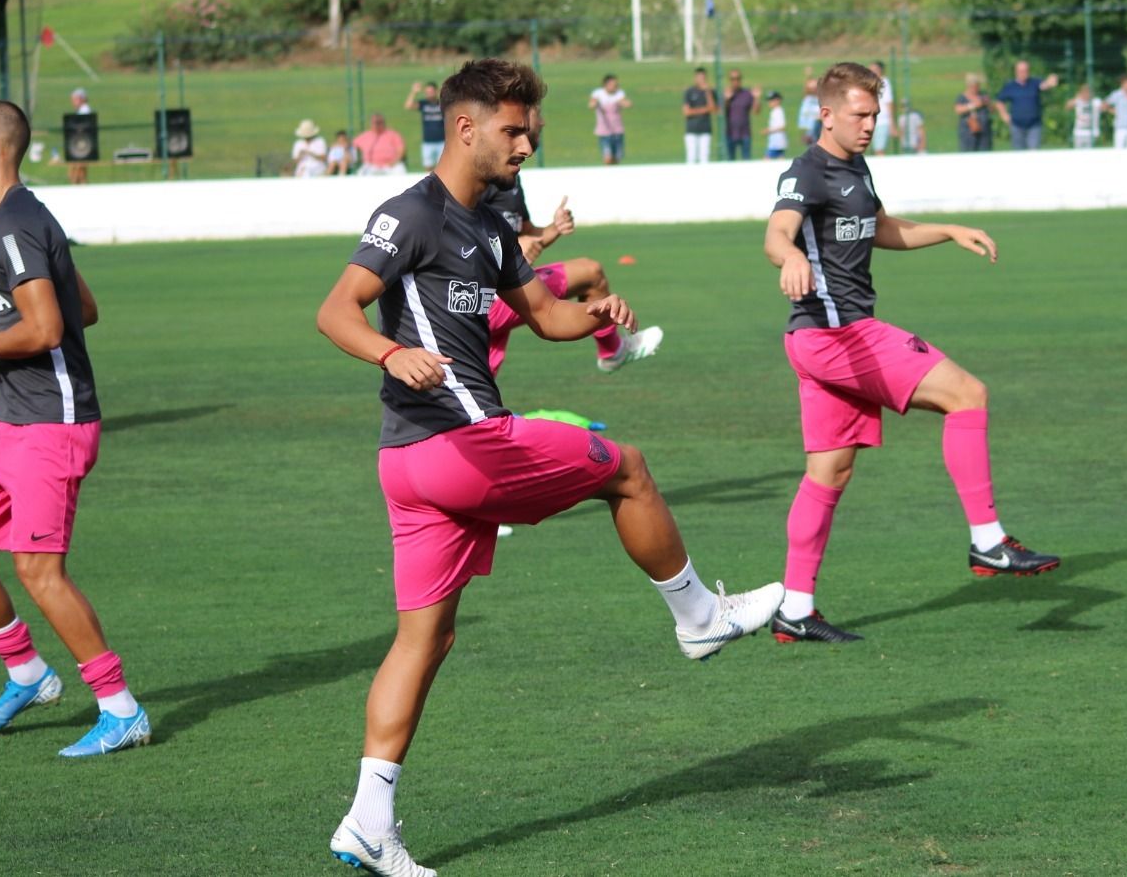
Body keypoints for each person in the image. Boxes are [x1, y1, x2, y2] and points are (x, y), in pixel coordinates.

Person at [317, 59, 782, 876]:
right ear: (465, 128)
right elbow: (335, 309)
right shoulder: (409, 213)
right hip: (460, 445)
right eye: (513, 129)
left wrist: (596, 312)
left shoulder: (494, 229)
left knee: (426, 638)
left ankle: (367, 817)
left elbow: (542, 315)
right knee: (626, 466)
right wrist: (392, 352)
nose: (526, 144)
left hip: (415, 467)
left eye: (530, 130)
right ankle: (698, 615)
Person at [762, 62, 1060, 644]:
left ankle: (795, 608)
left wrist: (947, 229)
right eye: (860, 114)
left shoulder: (856, 167)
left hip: (816, 344)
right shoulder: (808, 170)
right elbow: (778, 231)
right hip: (839, 335)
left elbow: (879, 228)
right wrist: (789, 256)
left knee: (829, 471)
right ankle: (988, 540)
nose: (871, 124)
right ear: (826, 114)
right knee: (967, 394)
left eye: (875, 113)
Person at [0, 100, 150, 757]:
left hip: (52, 426)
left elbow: (48, 329)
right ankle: (25, 672)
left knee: (39, 570)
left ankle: (119, 707)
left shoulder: (14, 224)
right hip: (8, 424)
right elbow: (86, 308)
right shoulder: (15, 219)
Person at [484, 108, 664, 376]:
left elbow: (527, 235)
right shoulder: (481, 176)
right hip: (480, 299)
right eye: (536, 113)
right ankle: (612, 352)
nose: (543, 120)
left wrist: (552, 229)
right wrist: (503, 252)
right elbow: (458, 239)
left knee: (477, 381)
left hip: (504, 291)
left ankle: (611, 352)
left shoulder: (511, 176)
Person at [995, 60, 1060, 150]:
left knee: (1033, 152)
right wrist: (1004, 115)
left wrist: (1050, 81)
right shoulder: (1010, 86)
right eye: (1021, 71)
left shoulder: (1034, 83)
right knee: (1019, 153)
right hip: (1016, 125)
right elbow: (999, 101)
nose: (1023, 73)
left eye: (1025, 70)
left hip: (1034, 125)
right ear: (1016, 72)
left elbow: (1044, 85)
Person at [589, 74, 631, 165]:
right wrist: (595, 103)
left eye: (617, 85)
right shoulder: (598, 94)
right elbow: (592, 104)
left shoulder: (619, 94)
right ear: (606, 85)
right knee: (607, 156)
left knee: (617, 157)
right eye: (613, 85)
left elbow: (626, 103)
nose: (616, 87)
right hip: (604, 130)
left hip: (617, 130)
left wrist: (624, 103)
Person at [403, 81, 445, 170]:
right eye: (427, 92)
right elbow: (408, 106)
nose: (429, 94)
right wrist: (414, 92)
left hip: (442, 141)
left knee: (443, 168)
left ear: (436, 91)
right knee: (428, 167)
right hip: (427, 142)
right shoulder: (423, 103)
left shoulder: (442, 103)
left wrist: (443, 92)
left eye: (431, 92)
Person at [682, 68, 716, 164]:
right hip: (691, 130)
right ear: (695, 78)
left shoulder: (710, 92)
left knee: (704, 159)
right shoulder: (689, 92)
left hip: (705, 130)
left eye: (703, 78)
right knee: (691, 158)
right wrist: (704, 109)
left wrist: (708, 92)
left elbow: (713, 109)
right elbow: (686, 112)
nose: (702, 80)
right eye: (699, 77)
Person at [723, 69, 759, 161]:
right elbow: (721, 112)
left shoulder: (746, 94)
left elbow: (756, 111)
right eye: (733, 79)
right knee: (730, 160)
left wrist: (756, 98)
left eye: (737, 79)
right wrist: (727, 99)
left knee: (746, 160)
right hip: (730, 133)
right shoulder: (727, 93)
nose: (735, 81)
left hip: (745, 133)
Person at [954, 74, 994, 153]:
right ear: (970, 86)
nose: (978, 88)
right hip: (968, 133)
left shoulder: (983, 95)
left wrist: (988, 103)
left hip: (984, 132)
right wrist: (974, 105)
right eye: (976, 86)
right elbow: (958, 110)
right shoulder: (962, 97)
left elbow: (992, 110)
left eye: (978, 85)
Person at [1066, 84, 1104, 150]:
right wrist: (1076, 97)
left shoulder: (1095, 101)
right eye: (1084, 92)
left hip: (1092, 131)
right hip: (1079, 132)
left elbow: (1104, 107)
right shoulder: (1078, 101)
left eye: (1088, 92)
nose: (1086, 94)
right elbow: (1068, 106)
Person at [66, 88, 91, 186]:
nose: (73, 102)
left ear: (81, 99)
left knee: (77, 174)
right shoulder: (82, 110)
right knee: (78, 174)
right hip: (80, 145)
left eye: (75, 99)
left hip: (81, 146)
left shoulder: (84, 111)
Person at [871, 61, 894, 155]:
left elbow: (889, 103)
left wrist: (892, 124)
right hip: (871, 120)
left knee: (879, 149)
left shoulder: (884, 83)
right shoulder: (871, 83)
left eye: (874, 69)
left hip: (881, 121)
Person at [763, 91, 788, 159]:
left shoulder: (778, 111)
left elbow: (782, 126)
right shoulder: (775, 111)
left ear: (778, 100)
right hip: (776, 142)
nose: (769, 102)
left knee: (766, 158)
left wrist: (769, 130)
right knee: (780, 158)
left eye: (771, 100)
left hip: (777, 142)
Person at [797, 78, 822, 146]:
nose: (813, 88)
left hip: (817, 128)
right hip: (809, 129)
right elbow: (806, 90)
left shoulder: (821, 98)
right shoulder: (807, 99)